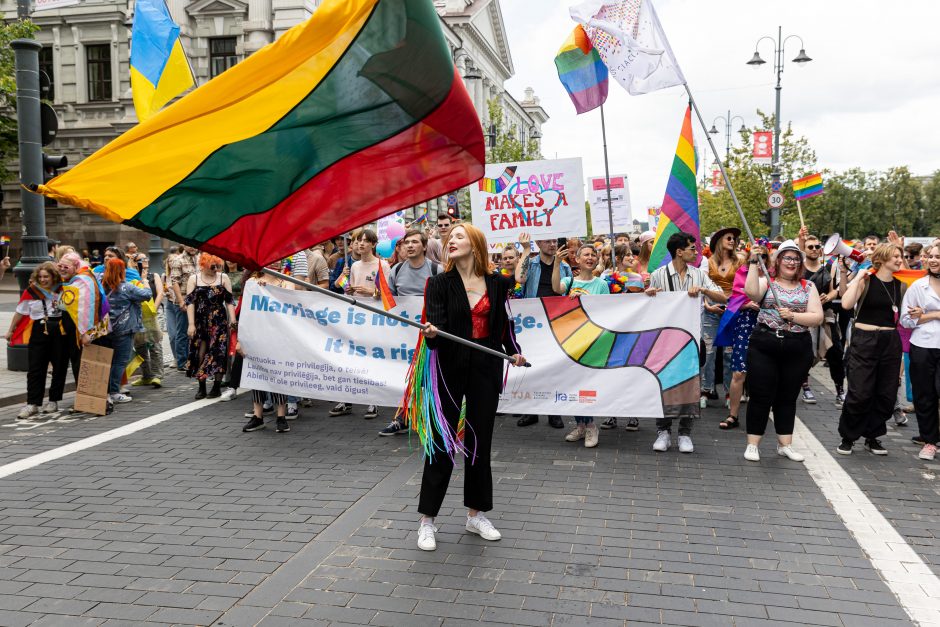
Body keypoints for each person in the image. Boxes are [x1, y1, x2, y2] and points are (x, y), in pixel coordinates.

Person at [416, 223, 525, 551]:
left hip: (485, 369)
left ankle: (475, 515)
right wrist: (432, 334)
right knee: (441, 442)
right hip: (449, 367)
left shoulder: (496, 284)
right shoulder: (438, 283)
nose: (451, 241)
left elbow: (503, 328)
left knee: (480, 443)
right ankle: (427, 521)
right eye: (450, 238)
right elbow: (436, 327)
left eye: (459, 237)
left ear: (475, 245)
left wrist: (513, 351)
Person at [645, 232, 727, 453]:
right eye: (692, 248)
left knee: (690, 386)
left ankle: (684, 433)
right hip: (664, 341)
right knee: (663, 385)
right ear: (679, 251)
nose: (696, 252)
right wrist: (649, 295)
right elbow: (648, 307)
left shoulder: (699, 275)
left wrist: (703, 290)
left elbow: (723, 297)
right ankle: (663, 431)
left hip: (691, 340)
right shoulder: (659, 275)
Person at [741, 240, 823, 462]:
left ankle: (784, 444)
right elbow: (751, 293)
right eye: (787, 258)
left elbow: (817, 317)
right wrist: (752, 263)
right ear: (777, 261)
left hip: (796, 346)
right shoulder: (767, 282)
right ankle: (753, 444)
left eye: (796, 259)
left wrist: (794, 316)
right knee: (760, 394)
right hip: (765, 344)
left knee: (787, 396)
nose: (792, 262)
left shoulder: (808, 287)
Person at [837, 243, 906, 455]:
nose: (899, 260)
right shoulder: (866, 280)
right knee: (860, 392)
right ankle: (848, 437)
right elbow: (847, 305)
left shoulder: (901, 286)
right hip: (864, 340)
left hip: (889, 341)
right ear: (882, 259)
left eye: (900, 256)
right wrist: (858, 278)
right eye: (894, 256)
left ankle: (873, 435)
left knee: (885, 392)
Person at [379, 230, 443, 436]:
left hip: (431, 336)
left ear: (424, 246)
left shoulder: (437, 270)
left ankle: (432, 418)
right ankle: (403, 417)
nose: (410, 246)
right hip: (404, 337)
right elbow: (390, 302)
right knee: (407, 376)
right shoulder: (396, 270)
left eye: (415, 242)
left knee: (429, 377)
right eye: (407, 242)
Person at [552, 243, 609, 448]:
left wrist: (586, 299)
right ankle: (580, 425)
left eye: (594, 254)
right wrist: (557, 263)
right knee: (573, 384)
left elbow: (607, 312)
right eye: (586, 254)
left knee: (588, 385)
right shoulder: (568, 281)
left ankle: (592, 425)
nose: (590, 257)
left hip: (592, 341)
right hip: (570, 340)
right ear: (576, 259)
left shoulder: (601, 285)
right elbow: (555, 288)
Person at [513, 232, 572, 429]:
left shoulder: (564, 267)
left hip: (556, 321)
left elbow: (560, 290)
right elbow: (520, 279)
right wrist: (526, 251)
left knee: (553, 366)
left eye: (555, 240)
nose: (553, 244)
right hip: (533, 322)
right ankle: (531, 411)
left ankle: (554, 411)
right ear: (538, 243)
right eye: (548, 240)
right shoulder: (531, 262)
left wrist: (557, 264)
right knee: (530, 364)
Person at [331, 229, 389, 420]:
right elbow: (345, 290)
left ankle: (373, 400)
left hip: (374, 318)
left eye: (366, 241)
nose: (361, 244)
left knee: (372, 358)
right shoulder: (353, 266)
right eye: (358, 240)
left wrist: (371, 292)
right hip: (356, 317)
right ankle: (347, 398)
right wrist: (347, 286)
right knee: (352, 357)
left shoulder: (383, 265)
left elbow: (388, 295)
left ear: (373, 244)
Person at [4, 262, 69, 418]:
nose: (43, 279)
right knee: (35, 368)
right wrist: (10, 329)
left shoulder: (63, 289)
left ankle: (53, 401)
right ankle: (32, 403)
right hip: (39, 330)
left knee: (59, 366)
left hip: (60, 330)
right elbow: (20, 312)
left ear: (53, 276)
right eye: (40, 277)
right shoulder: (31, 291)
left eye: (46, 276)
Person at [718, 246, 767, 431]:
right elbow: (734, 301)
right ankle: (733, 415)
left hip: (766, 325)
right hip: (746, 325)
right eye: (757, 256)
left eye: (763, 256)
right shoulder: (743, 273)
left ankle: (760, 415)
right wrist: (746, 305)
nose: (760, 258)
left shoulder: (774, 276)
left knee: (763, 374)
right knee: (739, 372)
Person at [901, 243, 940, 460]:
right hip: (923, 345)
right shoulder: (918, 286)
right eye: (930, 256)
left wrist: (928, 313)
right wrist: (933, 316)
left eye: (938, 256)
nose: (933, 260)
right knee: (925, 395)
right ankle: (929, 441)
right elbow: (907, 321)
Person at [98, 258, 152, 404]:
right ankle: (114, 391)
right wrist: (144, 281)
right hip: (124, 329)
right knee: (120, 361)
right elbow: (147, 295)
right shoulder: (126, 288)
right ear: (122, 271)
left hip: (106, 329)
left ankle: (106, 391)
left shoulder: (101, 287)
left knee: (109, 361)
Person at [800, 232, 846, 406]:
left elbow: (836, 290)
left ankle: (840, 389)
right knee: (805, 354)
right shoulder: (799, 268)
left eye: (817, 246)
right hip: (805, 316)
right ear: (804, 249)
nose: (813, 249)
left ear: (821, 249)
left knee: (836, 352)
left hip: (826, 316)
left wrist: (829, 296)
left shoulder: (829, 267)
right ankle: (805, 387)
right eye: (810, 246)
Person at [702, 228, 743, 409]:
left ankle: (729, 392)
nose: (732, 241)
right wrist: (706, 304)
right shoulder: (707, 263)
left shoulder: (740, 261)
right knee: (708, 353)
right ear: (718, 240)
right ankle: (705, 390)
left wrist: (736, 305)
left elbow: (743, 287)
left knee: (729, 354)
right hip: (711, 310)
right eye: (729, 238)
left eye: (734, 238)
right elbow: (702, 285)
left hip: (733, 311)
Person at [185, 253, 235, 400]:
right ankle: (201, 386)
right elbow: (190, 303)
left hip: (219, 320)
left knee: (219, 352)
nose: (215, 268)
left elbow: (229, 301)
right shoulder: (194, 279)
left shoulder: (223, 278)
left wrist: (232, 320)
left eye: (217, 265)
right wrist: (191, 324)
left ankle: (217, 386)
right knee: (200, 352)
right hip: (200, 321)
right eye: (212, 266)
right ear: (203, 265)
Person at [131, 269, 165, 389]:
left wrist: (153, 309)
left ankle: (157, 375)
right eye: (139, 260)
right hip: (136, 315)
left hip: (151, 314)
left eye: (144, 259)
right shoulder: (131, 275)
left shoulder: (153, 275)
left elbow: (160, 292)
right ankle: (146, 376)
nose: (143, 262)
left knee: (154, 344)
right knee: (139, 346)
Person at [167, 245, 198, 370]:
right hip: (184, 301)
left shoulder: (200, 259)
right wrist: (181, 301)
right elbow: (175, 282)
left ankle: (194, 359)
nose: (192, 247)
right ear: (183, 246)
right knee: (183, 332)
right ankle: (182, 362)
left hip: (198, 301)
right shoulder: (178, 260)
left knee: (196, 332)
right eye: (189, 245)